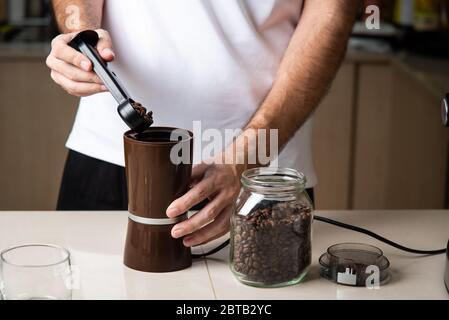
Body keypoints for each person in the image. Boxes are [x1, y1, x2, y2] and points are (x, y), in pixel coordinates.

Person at [47, 0, 359, 247]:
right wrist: (82, 34)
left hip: (259, 173)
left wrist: (247, 158)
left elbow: (331, 11)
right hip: (108, 154)